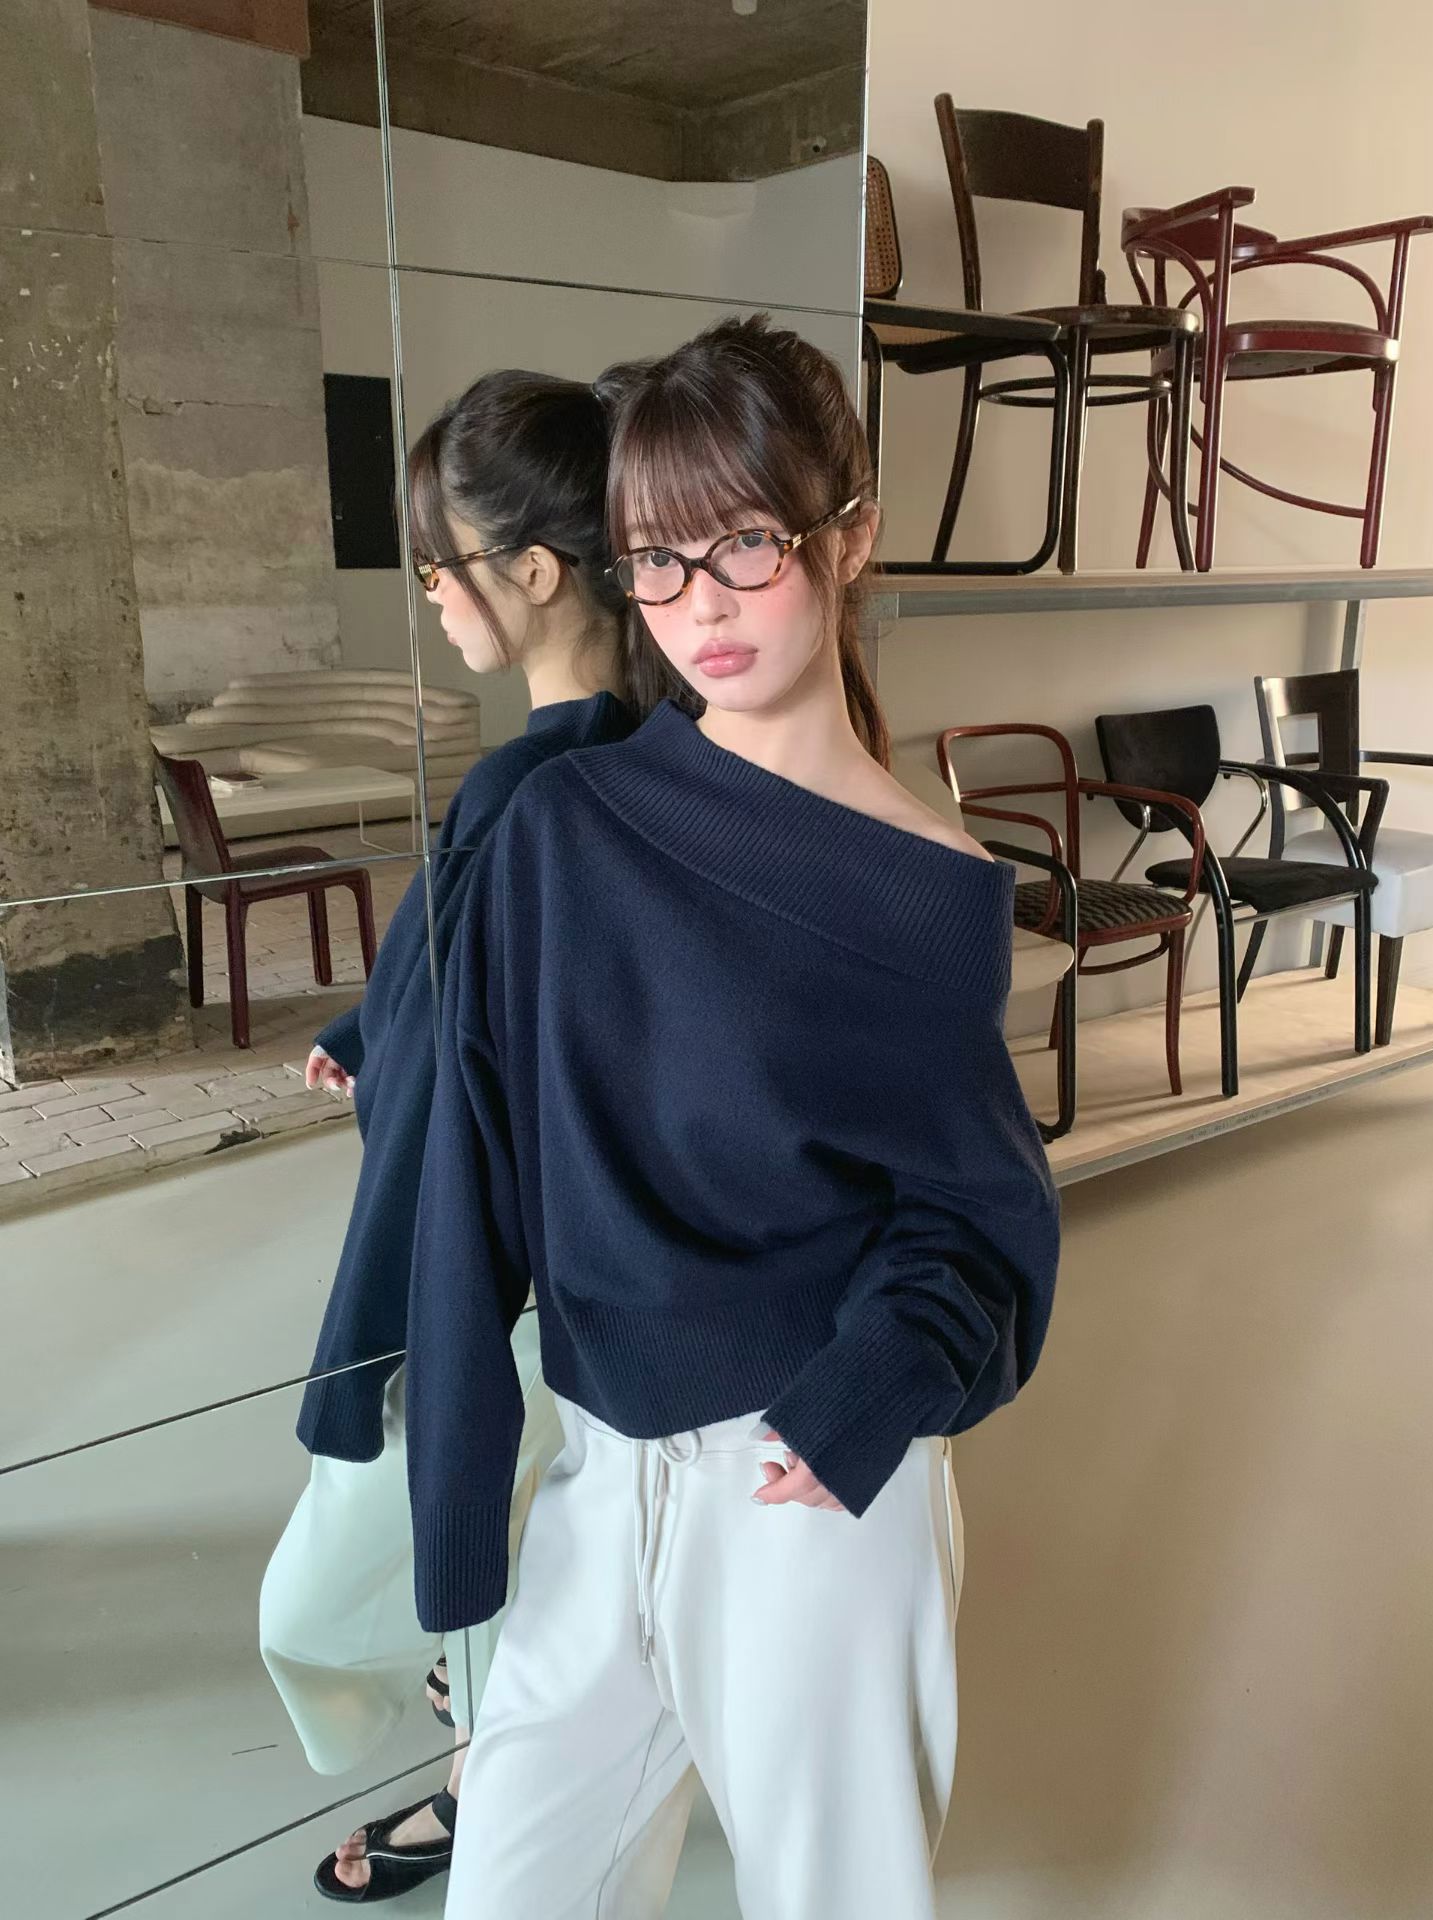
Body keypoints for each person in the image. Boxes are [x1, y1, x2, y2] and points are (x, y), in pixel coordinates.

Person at [405, 315, 1062, 1919]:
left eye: (744, 546)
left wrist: (860, 1404)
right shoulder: (562, 825)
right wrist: (448, 1480)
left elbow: (974, 1211)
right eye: (655, 560)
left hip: (810, 1481)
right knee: (513, 1887)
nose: (698, 605)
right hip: (597, 1466)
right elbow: (466, 1156)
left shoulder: (932, 889)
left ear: (851, 538)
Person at [257, 368, 639, 1902]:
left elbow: (495, 1019)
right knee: (511, 1540)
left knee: (375, 1569)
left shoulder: (535, 791)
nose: (429, 589)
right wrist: (376, 1033)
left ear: (533, 572)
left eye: (442, 559)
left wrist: (397, 1062)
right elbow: (468, 979)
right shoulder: (608, 763)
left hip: (507, 1264)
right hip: (568, 1255)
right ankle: (482, 1739)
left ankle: (486, 1781)